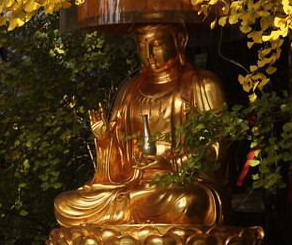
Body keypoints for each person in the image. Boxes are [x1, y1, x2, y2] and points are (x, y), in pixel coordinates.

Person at [54, 23, 228, 227]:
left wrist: (172, 164)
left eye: (157, 44)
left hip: (177, 185)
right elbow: (117, 163)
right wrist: (104, 139)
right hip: (133, 184)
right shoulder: (130, 89)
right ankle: (135, 216)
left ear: (180, 40)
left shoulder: (202, 84)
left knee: (188, 203)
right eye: (141, 45)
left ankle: (135, 219)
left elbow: (216, 147)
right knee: (65, 204)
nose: (149, 53)